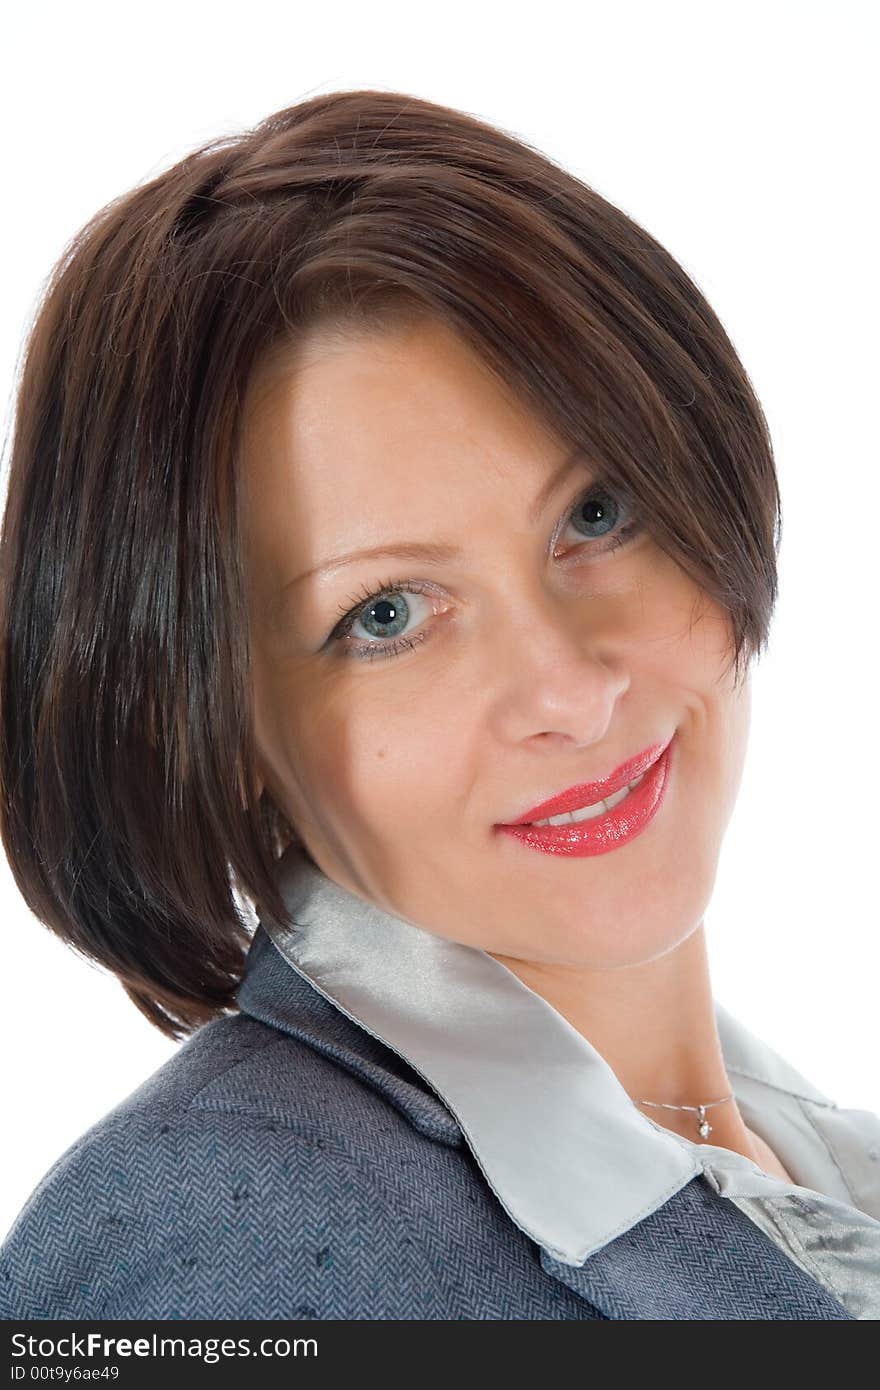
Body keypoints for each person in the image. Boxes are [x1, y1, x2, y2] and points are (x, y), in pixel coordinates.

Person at [1, 89, 878, 1321]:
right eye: (387, 614)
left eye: (595, 513)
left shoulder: (803, 1167)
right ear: (211, 719)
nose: (571, 689)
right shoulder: (218, 1266)